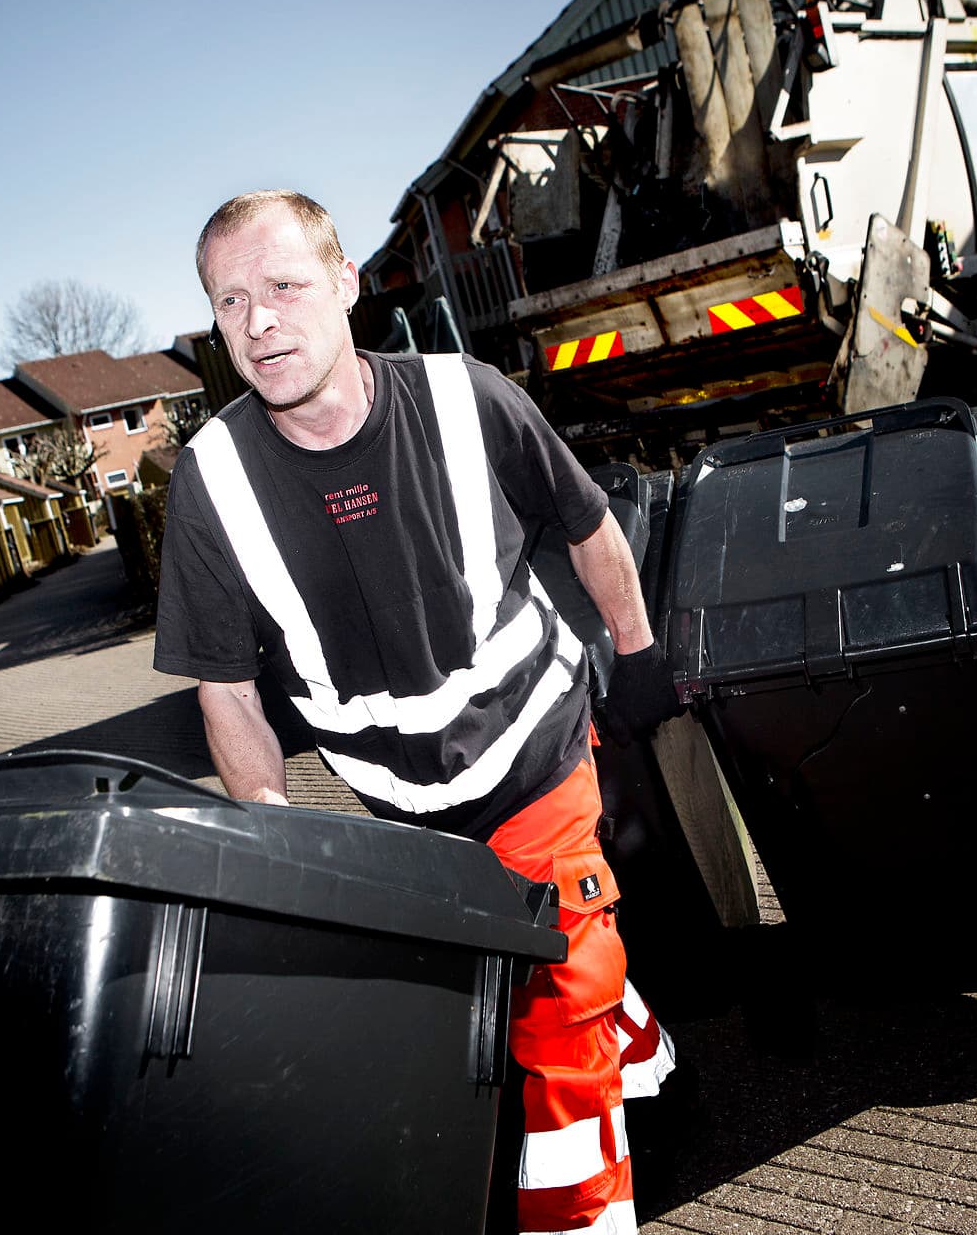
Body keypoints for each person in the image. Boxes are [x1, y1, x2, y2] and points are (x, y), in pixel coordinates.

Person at [153, 189, 680, 1235]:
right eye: (230, 301)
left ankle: (582, 1208)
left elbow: (588, 527)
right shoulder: (211, 484)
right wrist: (277, 842)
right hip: (405, 811)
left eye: (285, 286)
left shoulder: (463, 396)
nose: (259, 322)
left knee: (555, 1014)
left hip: (535, 753)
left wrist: (641, 651)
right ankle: (640, 1038)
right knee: (531, 975)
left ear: (347, 284)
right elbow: (227, 689)